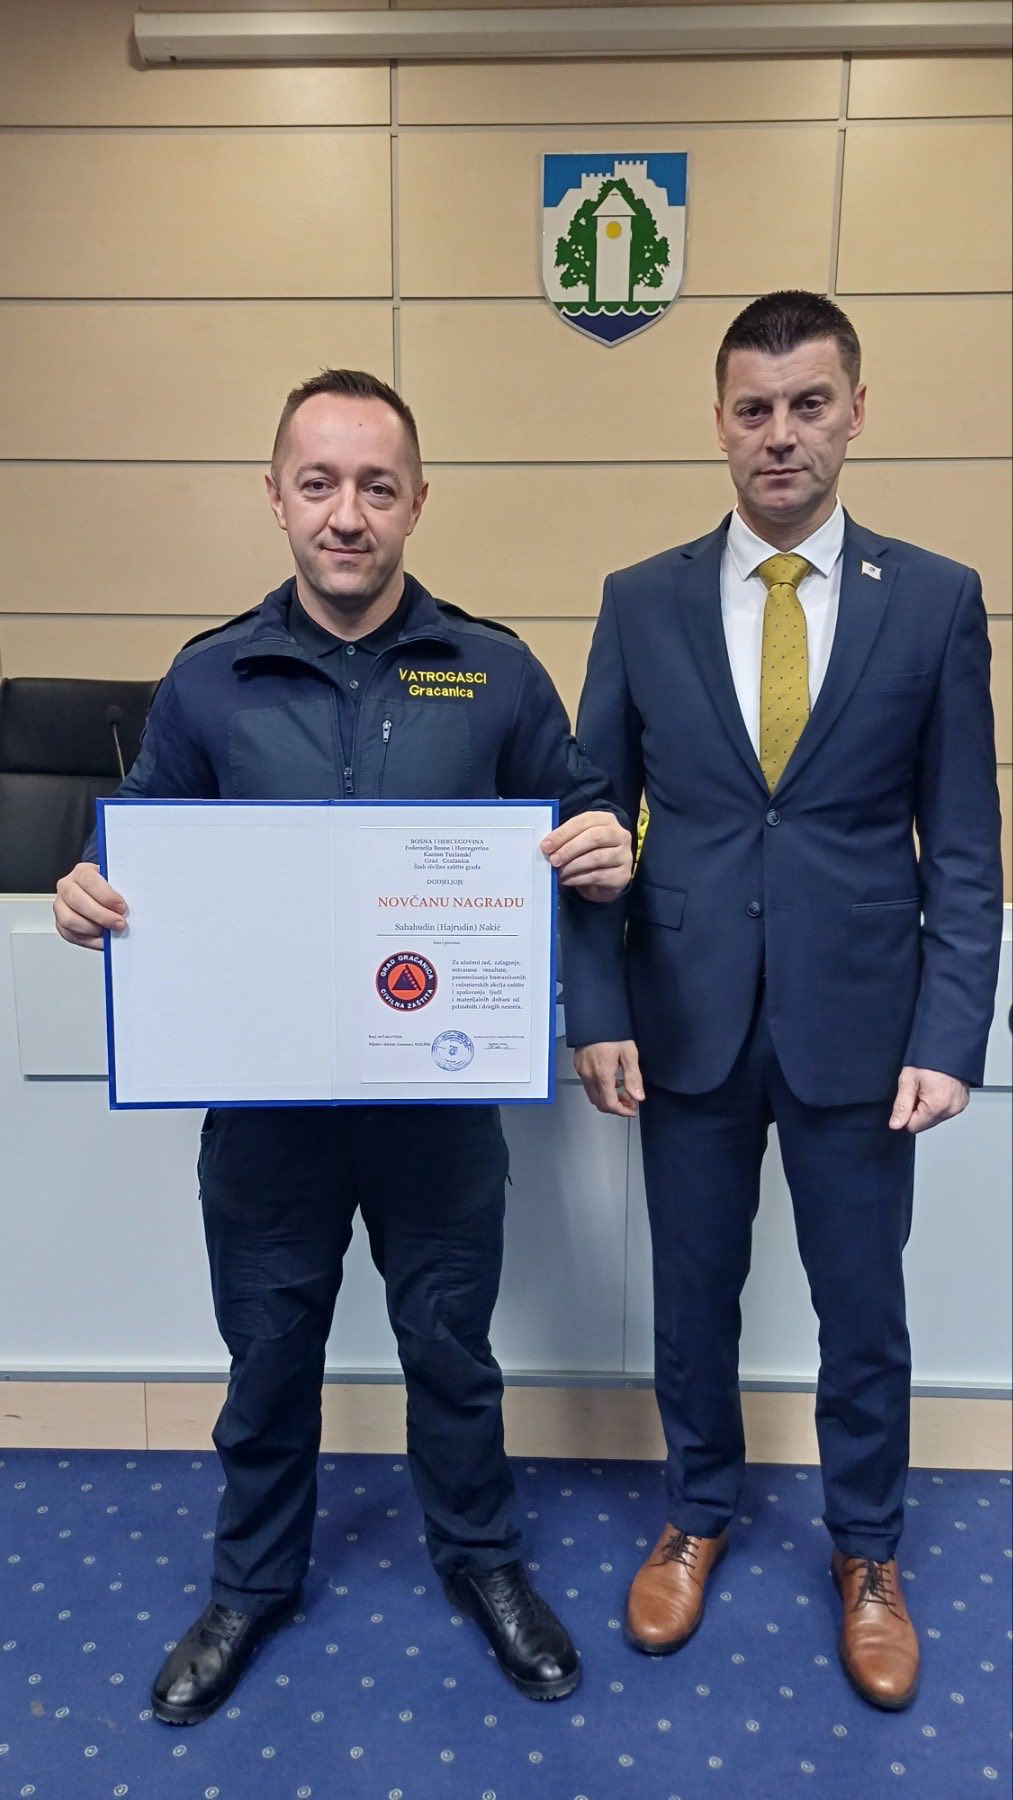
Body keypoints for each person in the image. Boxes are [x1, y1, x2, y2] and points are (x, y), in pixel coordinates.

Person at [54, 368, 632, 1725]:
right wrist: (89, 882)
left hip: (437, 1101)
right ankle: (249, 1583)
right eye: (318, 484)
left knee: (450, 1348)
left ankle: (481, 1560)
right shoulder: (210, 678)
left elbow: (584, 813)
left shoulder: (493, 671)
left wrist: (609, 847)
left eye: (377, 486)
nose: (347, 514)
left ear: (418, 501)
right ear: (276, 498)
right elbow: (135, 834)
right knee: (266, 1355)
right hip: (266, 1110)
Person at [562, 291, 1003, 1710]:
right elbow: (588, 825)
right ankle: (695, 1512)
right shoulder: (639, 599)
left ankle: (867, 1551)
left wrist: (951, 1033)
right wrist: (594, 1007)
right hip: (682, 1016)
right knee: (692, 1298)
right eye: (753, 409)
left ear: (855, 412)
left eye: (809, 404)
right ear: (717, 422)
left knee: (862, 1308)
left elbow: (965, 845)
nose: (780, 434)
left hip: (863, 1028)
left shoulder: (934, 599)